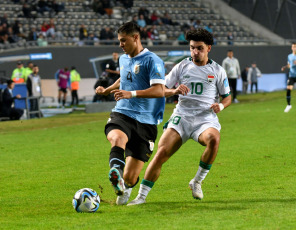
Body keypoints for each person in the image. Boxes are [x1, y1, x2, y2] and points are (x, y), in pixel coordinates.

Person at [128, 28, 232, 206]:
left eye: (199, 48)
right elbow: (161, 89)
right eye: (192, 48)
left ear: (209, 48)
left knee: (214, 139)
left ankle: (197, 181)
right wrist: (174, 90)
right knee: (161, 154)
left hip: (205, 119)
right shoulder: (182, 66)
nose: (195, 52)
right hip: (182, 117)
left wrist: (221, 105)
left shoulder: (217, 70)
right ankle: (141, 197)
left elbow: (227, 96)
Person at [94, 21, 165, 206]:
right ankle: (115, 172)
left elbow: (159, 90)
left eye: (123, 40)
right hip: (123, 113)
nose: (120, 45)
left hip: (146, 122)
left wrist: (131, 93)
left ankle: (124, 184)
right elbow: (124, 77)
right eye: (119, 41)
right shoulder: (123, 58)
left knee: (131, 178)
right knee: (117, 139)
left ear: (135, 38)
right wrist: (108, 90)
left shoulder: (153, 60)